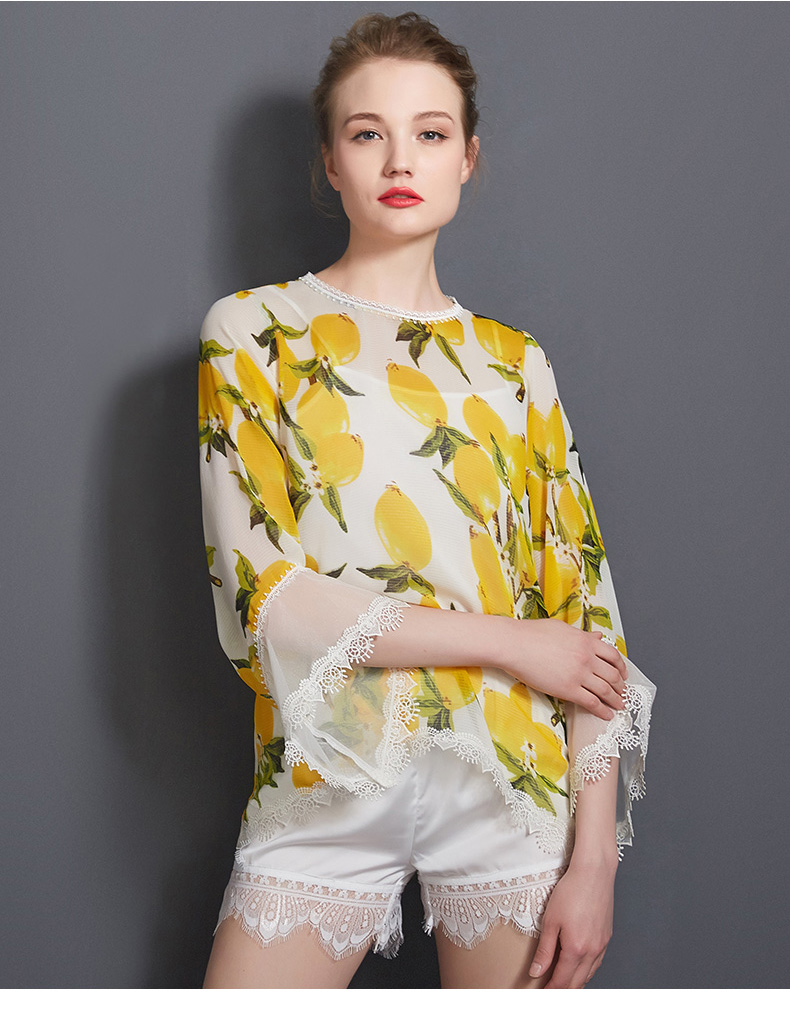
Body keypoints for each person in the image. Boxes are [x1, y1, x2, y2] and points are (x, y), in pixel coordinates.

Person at [199, 11, 655, 989]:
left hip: (508, 779)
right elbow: (266, 597)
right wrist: (506, 640)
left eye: (431, 131)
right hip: (328, 775)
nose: (400, 158)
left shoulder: (515, 365)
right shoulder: (254, 333)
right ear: (330, 160)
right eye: (368, 132)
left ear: (467, 157)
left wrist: (594, 863)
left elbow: (584, 624)